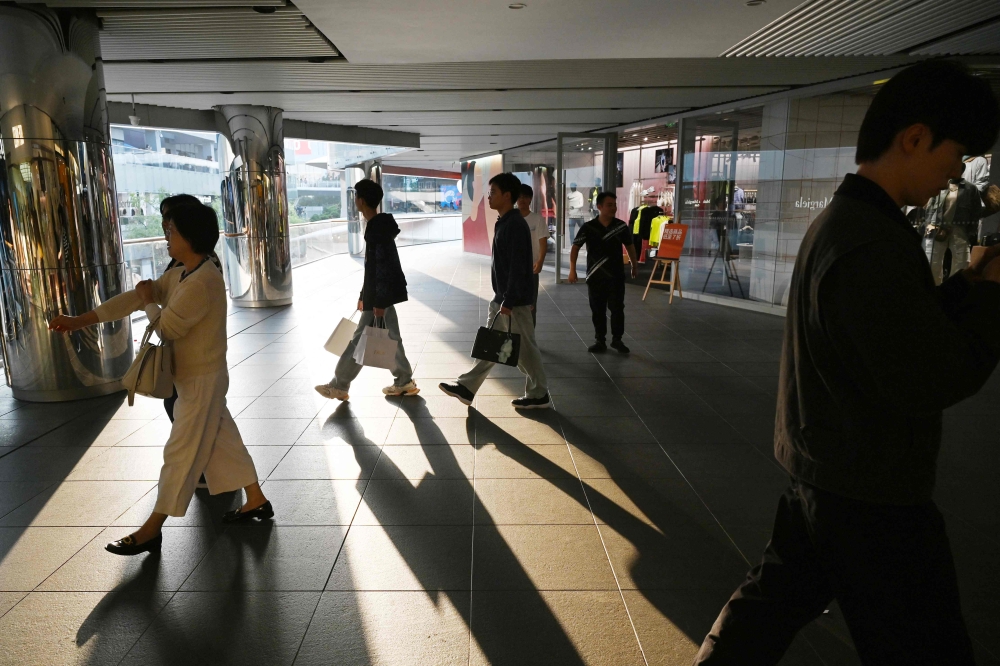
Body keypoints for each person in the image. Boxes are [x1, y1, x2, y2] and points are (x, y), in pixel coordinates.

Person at [694, 60, 1000, 665]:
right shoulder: (870, 241)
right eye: (956, 154)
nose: (955, 175)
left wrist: (967, 283)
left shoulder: (849, 224)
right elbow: (930, 373)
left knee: (769, 606)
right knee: (925, 646)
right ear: (913, 138)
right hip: (870, 489)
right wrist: (991, 297)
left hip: (827, 467)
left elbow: (892, 331)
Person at [50, 204, 272, 557]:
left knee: (180, 454)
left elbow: (166, 326)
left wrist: (148, 301)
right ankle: (256, 499)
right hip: (195, 378)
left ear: (190, 236)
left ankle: (151, 529)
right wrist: (79, 321)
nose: (166, 237)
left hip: (201, 381)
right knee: (222, 440)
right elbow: (135, 300)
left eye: (171, 231)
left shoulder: (203, 280)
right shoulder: (184, 273)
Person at [439, 172, 550, 409]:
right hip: (506, 297)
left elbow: (519, 266)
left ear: (507, 196)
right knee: (494, 345)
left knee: (524, 350)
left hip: (513, 300)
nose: (488, 197)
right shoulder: (505, 221)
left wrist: (508, 300)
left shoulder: (515, 224)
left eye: (493, 193)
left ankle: (538, 393)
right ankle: (468, 387)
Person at [315, 179, 418, 401]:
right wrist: (364, 295)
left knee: (359, 340)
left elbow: (380, 267)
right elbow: (373, 268)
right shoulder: (379, 226)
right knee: (391, 337)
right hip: (379, 294)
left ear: (361, 200)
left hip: (379, 296)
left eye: (356, 198)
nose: (355, 202)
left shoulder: (377, 230)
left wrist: (377, 302)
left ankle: (339, 384)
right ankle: (404, 380)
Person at [568, 192, 637, 353]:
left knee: (617, 308)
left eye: (614, 204)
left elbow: (630, 246)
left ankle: (617, 340)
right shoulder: (589, 227)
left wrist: (634, 264)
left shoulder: (620, 226)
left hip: (616, 276)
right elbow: (575, 247)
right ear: (599, 207)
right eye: (609, 205)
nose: (613, 208)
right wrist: (572, 269)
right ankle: (600, 340)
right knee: (597, 310)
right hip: (595, 276)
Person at [516, 183, 549, 326]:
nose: (522, 200)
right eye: (519, 197)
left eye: (525, 197)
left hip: (531, 268)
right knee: (513, 303)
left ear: (530, 199)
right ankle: (515, 339)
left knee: (531, 304)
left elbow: (543, 242)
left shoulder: (537, 219)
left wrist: (540, 261)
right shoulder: (512, 218)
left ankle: (530, 338)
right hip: (514, 268)